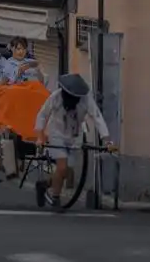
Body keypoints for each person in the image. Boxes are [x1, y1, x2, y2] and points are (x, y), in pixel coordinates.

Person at [35, 72, 114, 208]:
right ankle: (56, 198)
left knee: (66, 172)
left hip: (74, 136)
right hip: (57, 134)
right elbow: (42, 115)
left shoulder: (85, 99)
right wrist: (40, 136)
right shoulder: (56, 97)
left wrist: (107, 140)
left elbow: (97, 117)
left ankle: (45, 185)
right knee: (62, 167)